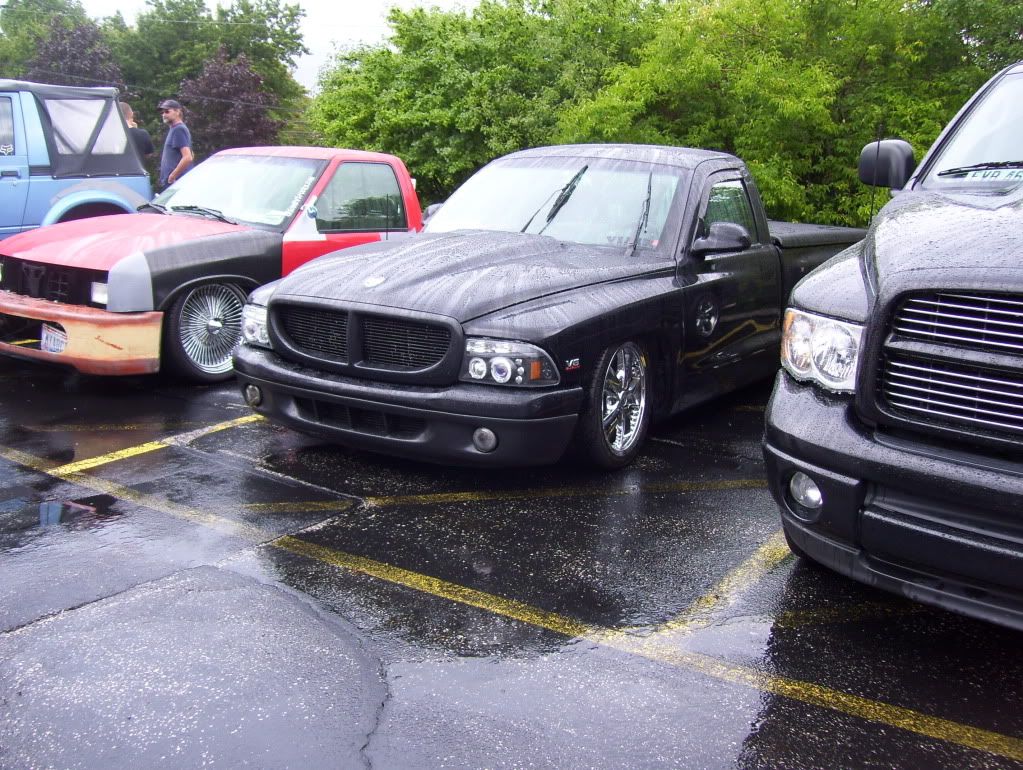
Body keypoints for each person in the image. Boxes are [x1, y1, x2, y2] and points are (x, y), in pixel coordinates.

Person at [157, 98, 194, 189]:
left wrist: (173, 176)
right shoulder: (174, 129)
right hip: (172, 183)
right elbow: (192, 154)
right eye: (162, 113)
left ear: (177, 112)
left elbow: (188, 157)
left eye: (167, 111)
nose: (164, 115)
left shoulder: (179, 129)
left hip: (175, 183)